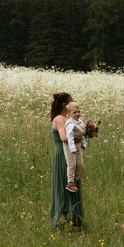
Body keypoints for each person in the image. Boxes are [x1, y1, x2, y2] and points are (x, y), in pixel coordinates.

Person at [50, 92, 83, 227]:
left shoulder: (69, 119)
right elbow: (64, 138)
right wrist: (81, 135)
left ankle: (74, 220)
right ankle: (61, 221)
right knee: (65, 187)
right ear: (64, 105)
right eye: (70, 102)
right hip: (63, 156)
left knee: (73, 185)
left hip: (72, 155)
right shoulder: (59, 119)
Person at [64, 102, 87, 193]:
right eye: (74, 112)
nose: (77, 114)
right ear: (69, 114)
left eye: (78, 111)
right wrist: (72, 148)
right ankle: (70, 182)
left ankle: (76, 179)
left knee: (79, 163)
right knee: (72, 164)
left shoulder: (80, 122)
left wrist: (83, 144)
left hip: (78, 144)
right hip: (70, 145)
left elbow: (82, 134)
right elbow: (69, 137)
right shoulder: (70, 124)